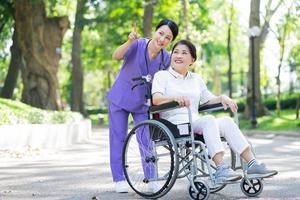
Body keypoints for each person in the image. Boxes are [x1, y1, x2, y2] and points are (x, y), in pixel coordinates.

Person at [151, 40, 277, 182]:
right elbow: (156, 99)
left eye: (184, 53)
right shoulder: (162, 76)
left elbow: (207, 99)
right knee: (209, 120)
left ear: (192, 60)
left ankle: (252, 164)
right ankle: (221, 168)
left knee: (227, 121)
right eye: (176, 52)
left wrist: (222, 98)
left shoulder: (196, 79)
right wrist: (175, 98)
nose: (178, 55)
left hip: (195, 122)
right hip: (174, 125)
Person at [106, 19, 178, 193]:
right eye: (161, 33)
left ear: (171, 41)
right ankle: (119, 179)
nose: (162, 39)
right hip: (120, 98)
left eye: (168, 37)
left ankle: (152, 177)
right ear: (155, 31)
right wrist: (129, 41)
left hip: (142, 103)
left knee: (146, 139)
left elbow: (167, 82)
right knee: (118, 138)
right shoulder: (137, 44)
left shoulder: (166, 59)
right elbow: (116, 56)